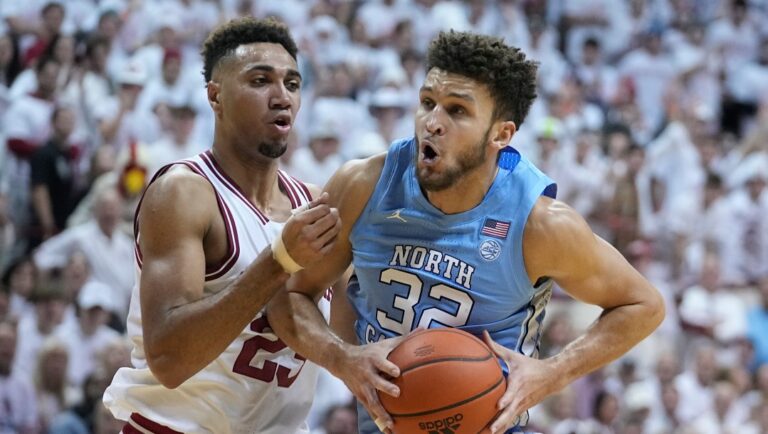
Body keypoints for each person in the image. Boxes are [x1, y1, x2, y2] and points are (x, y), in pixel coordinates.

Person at [267, 30, 665, 434]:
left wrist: (552, 373)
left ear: (501, 134)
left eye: (457, 111)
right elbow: (289, 295)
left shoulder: (540, 224)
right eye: (427, 103)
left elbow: (643, 305)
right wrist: (342, 357)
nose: (432, 123)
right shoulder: (362, 186)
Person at [102, 17, 341, 433]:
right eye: (260, 81)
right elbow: (169, 360)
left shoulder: (312, 201)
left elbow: (352, 331)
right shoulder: (184, 193)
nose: (281, 96)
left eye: (292, 84)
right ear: (216, 96)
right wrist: (280, 261)